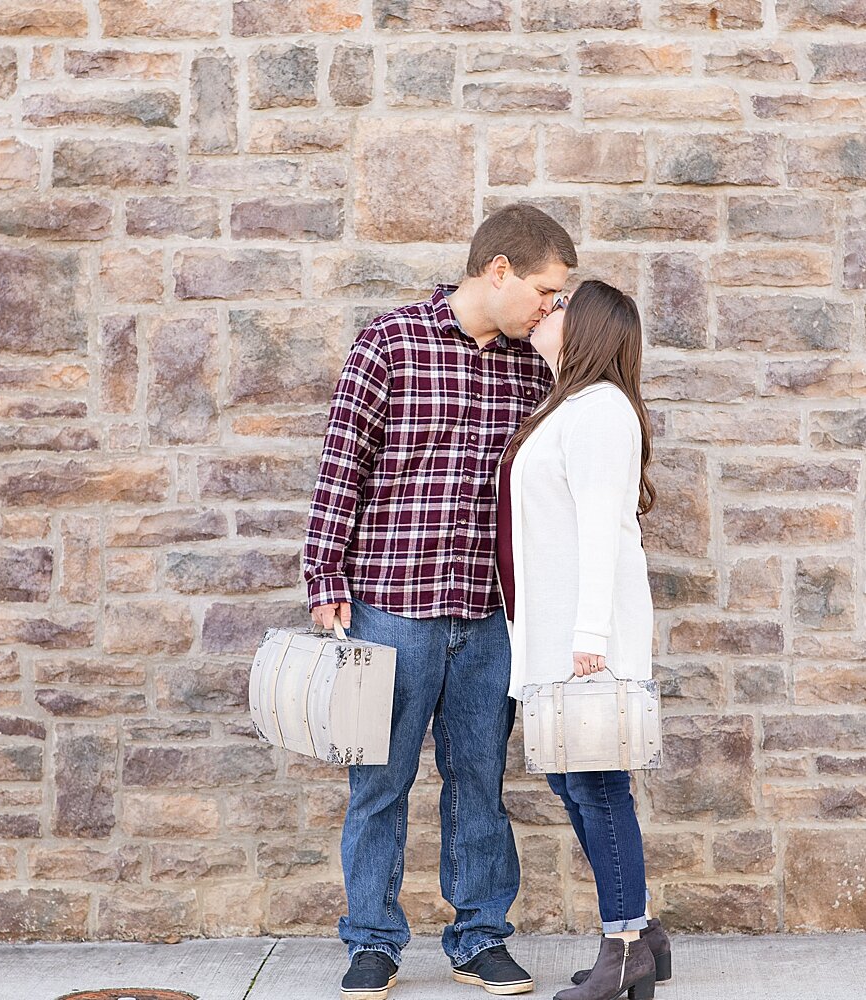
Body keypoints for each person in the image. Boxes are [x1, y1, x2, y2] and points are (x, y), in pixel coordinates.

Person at [304, 203, 577, 1000]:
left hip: (489, 615)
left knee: (479, 780)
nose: (551, 307)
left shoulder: (535, 365)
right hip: (390, 608)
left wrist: (566, 362)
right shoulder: (389, 343)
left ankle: (480, 937)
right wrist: (325, 579)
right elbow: (340, 466)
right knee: (380, 783)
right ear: (499, 270)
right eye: (546, 290)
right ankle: (373, 943)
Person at [497, 281, 671, 1000]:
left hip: (584, 639)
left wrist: (589, 636)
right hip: (556, 634)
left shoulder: (600, 412)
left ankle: (625, 943)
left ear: (590, 328)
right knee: (578, 782)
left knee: (596, 787)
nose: (547, 307)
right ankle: (644, 939)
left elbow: (604, 528)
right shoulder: (570, 407)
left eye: (562, 302)